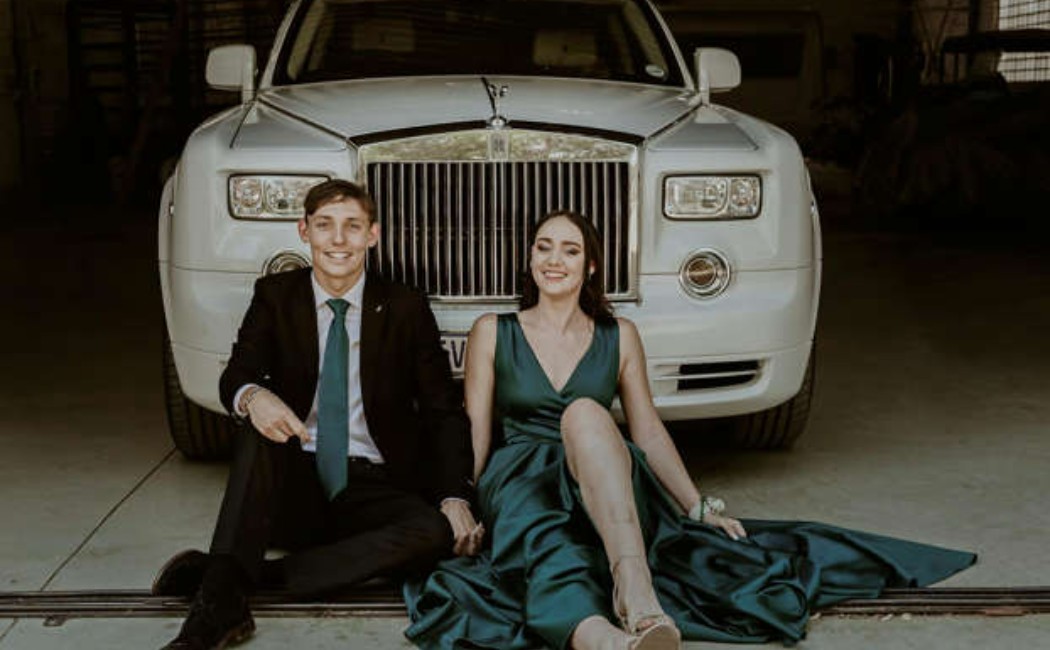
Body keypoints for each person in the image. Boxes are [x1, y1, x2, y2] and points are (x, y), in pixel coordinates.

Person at [404, 210, 976, 650]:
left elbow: (648, 431)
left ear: (591, 265)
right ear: (529, 257)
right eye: (543, 247)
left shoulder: (618, 334)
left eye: (570, 249)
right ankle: (609, 639)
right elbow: (475, 426)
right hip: (524, 474)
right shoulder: (492, 330)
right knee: (555, 542)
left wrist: (698, 505)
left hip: (607, 470)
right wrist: (462, 500)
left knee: (585, 414)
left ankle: (637, 592)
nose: (554, 259)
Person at [155, 179, 480, 650]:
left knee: (433, 531)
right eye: (325, 226)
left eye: (353, 226)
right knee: (260, 427)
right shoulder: (276, 295)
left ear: (374, 234)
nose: (339, 240)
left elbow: (442, 411)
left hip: (374, 485)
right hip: (292, 483)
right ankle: (218, 610)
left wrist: (454, 494)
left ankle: (234, 576)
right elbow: (238, 373)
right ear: (303, 231)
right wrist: (252, 396)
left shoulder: (405, 306)